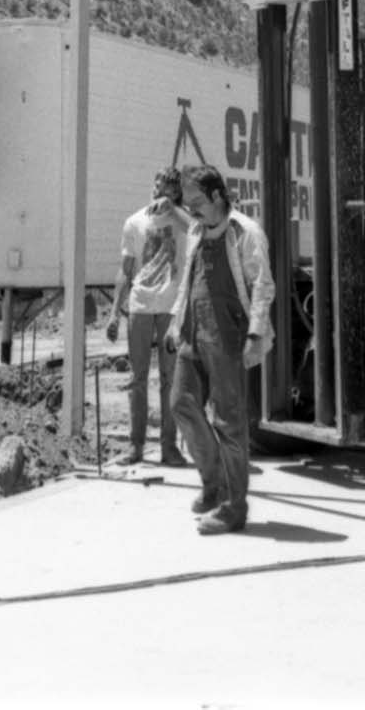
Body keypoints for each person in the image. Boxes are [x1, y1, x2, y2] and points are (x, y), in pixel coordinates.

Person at [165, 163, 275, 535]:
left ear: (216, 196)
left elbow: (263, 286)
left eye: (197, 201)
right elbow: (188, 280)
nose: (191, 209)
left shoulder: (245, 233)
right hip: (192, 335)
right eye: (188, 203)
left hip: (228, 338)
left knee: (229, 422)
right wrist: (174, 322)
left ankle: (233, 507)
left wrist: (257, 332)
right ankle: (213, 482)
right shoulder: (197, 230)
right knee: (180, 402)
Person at [105, 167, 190, 468]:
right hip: (140, 306)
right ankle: (135, 446)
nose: (160, 192)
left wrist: (176, 210)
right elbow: (125, 269)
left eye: (168, 188)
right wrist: (115, 312)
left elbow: (199, 233)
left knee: (170, 379)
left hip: (170, 307)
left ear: (176, 192)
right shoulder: (135, 222)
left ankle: (169, 447)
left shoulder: (183, 221)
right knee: (137, 378)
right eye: (158, 186)